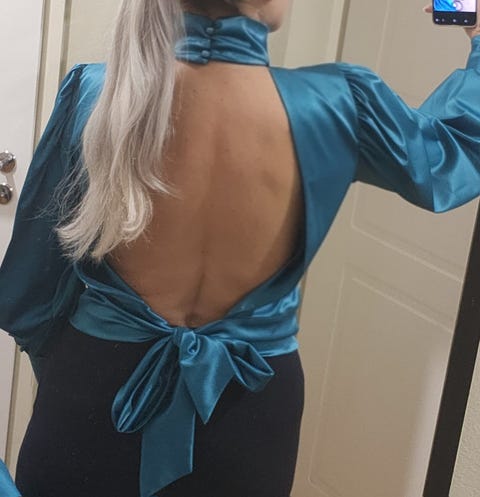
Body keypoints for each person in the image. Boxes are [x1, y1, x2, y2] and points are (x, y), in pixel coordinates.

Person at [1, 1, 479, 496]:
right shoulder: (339, 103)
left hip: (92, 389)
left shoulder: (97, 93)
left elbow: (31, 289)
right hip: (249, 405)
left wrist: (75, 368)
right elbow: (453, 150)